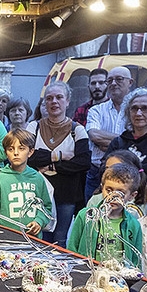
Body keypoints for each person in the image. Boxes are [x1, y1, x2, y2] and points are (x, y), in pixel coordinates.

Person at [26, 81, 90, 246]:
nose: (54, 102)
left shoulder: (77, 130)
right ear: (45, 103)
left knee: (60, 239)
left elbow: (82, 162)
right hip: (38, 193)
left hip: (66, 192)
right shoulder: (34, 127)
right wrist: (59, 155)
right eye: (49, 98)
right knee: (39, 237)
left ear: (67, 101)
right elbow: (28, 157)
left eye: (59, 97)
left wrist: (50, 166)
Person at [67, 163, 144, 267]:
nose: (113, 197)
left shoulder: (134, 225)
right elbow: (71, 250)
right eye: (109, 190)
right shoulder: (85, 215)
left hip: (118, 279)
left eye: (121, 193)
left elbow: (136, 261)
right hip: (86, 274)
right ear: (102, 188)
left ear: (132, 196)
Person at [0, 129, 53, 236]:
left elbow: (46, 208)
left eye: (21, 148)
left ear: (30, 152)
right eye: (10, 149)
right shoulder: (0, 178)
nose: (16, 153)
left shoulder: (38, 178)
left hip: (33, 240)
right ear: (5, 152)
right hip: (5, 239)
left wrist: (39, 222)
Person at [86, 66, 133, 200]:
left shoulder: (136, 110)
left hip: (129, 174)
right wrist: (126, 141)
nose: (113, 83)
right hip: (97, 173)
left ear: (130, 82)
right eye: (110, 80)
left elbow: (139, 139)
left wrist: (109, 143)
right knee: (93, 215)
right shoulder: (96, 111)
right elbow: (94, 135)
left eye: (119, 79)